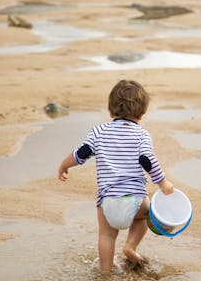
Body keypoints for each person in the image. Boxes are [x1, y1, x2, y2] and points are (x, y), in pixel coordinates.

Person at [57, 79, 174, 273]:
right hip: (135, 200)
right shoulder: (141, 135)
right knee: (144, 216)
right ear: (142, 113)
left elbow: (82, 153)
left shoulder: (99, 132)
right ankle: (130, 247)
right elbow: (146, 158)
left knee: (106, 236)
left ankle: (105, 273)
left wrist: (63, 165)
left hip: (108, 202)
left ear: (110, 110)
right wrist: (162, 182)